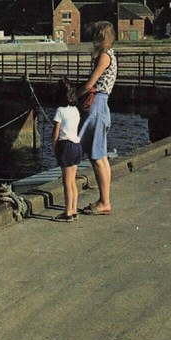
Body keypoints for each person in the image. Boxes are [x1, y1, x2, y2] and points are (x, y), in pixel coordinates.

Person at [78, 21, 117, 216]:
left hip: (97, 104)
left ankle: (104, 202)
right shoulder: (111, 54)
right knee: (100, 155)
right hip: (101, 104)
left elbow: (90, 84)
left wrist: (75, 95)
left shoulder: (104, 56)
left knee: (96, 156)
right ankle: (104, 200)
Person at [51, 76, 82, 222]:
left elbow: (56, 132)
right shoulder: (75, 110)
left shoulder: (59, 110)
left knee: (66, 182)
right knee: (73, 181)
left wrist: (54, 146)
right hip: (76, 145)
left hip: (65, 146)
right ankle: (74, 209)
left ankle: (68, 212)